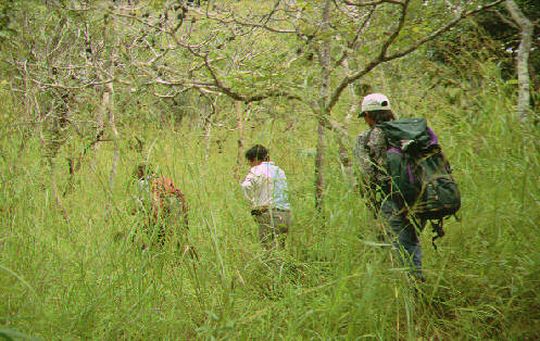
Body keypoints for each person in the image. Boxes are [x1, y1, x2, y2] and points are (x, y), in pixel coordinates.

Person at [354, 93, 426, 281]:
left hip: (391, 196)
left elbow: (367, 173)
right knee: (411, 240)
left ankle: (412, 285)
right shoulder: (407, 131)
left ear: (369, 115)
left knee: (400, 243)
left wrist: (368, 199)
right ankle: (415, 278)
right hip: (421, 195)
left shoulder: (366, 137)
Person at [133, 163, 194, 256]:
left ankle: (157, 253)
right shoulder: (162, 178)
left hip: (163, 207)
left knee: (158, 235)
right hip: (178, 203)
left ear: (140, 172)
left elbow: (146, 204)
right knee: (180, 235)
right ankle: (182, 254)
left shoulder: (142, 182)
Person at [241, 145, 291, 250]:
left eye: (250, 162)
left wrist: (252, 204)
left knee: (268, 250)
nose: (250, 165)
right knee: (280, 249)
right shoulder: (280, 171)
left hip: (268, 214)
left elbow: (246, 186)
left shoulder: (256, 170)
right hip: (285, 214)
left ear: (254, 159)